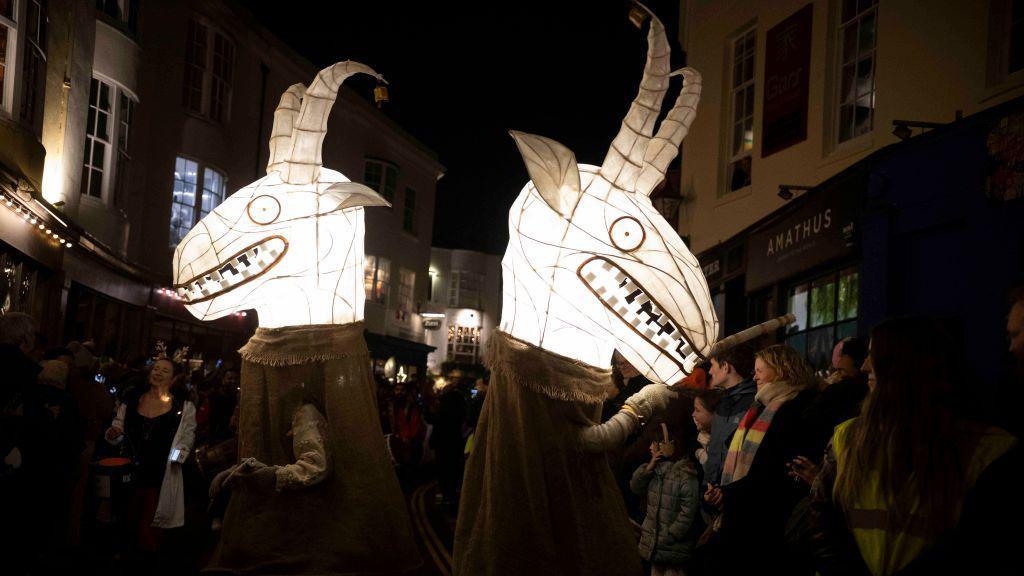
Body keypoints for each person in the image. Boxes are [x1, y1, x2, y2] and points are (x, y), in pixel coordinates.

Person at [808, 317, 1020, 576]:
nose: (864, 366)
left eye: (875, 356)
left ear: (905, 367)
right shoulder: (847, 437)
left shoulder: (988, 453)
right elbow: (825, 521)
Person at [711, 344, 818, 573]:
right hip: (743, 509)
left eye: (760, 370)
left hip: (764, 521)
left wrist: (728, 493)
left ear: (781, 370)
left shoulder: (794, 409)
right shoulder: (760, 406)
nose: (754, 376)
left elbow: (771, 469)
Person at [104, 355, 196, 568]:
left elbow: (186, 439)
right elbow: (118, 430)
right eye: (156, 368)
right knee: (125, 517)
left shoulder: (183, 407)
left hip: (159, 474)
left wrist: (175, 460)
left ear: (173, 379)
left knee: (149, 526)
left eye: (165, 371)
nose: (158, 373)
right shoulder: (133, 399)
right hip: (129, 470)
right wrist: (113, 433)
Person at [794, 336, 869, 484]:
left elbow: (809, 417)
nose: (837, 364)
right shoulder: (862, 390)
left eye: (842, 356)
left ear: (851, 358)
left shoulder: (840, 390)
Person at [630, 423, 700, 576]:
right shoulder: (654, 471)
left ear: (666, 445)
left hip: (673, 546)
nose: (650, 448)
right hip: (655, 545)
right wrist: (648, 468)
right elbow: (636, 487)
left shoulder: (684, 473)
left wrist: (673, 533)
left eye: (653, 443)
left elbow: (689, 508)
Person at [702, 343, 756, 496]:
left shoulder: (753, 404)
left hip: (733, 494)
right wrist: (707, 487)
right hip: (712, 492)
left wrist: (726, 493)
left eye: (712, 365)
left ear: (725, 367)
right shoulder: (723, 402)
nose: (710, 371)